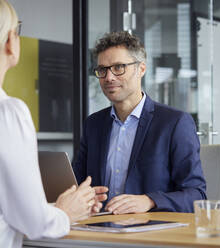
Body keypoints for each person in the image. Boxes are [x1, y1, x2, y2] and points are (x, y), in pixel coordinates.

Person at [0, 1, 106, 247]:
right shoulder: (4, 111)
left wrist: (53, 208)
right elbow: (33, 223)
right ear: (9, 41)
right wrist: (66, 212)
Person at [73, 31, 207, 214]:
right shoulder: (93, 124)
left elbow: (196, 195)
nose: (109, 77)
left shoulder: (175, 123)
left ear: (141, 69)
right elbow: (77, 183)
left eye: (119, 67)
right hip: (99, 227)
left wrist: (150, 201)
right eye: (102, 70)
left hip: (150, 232)